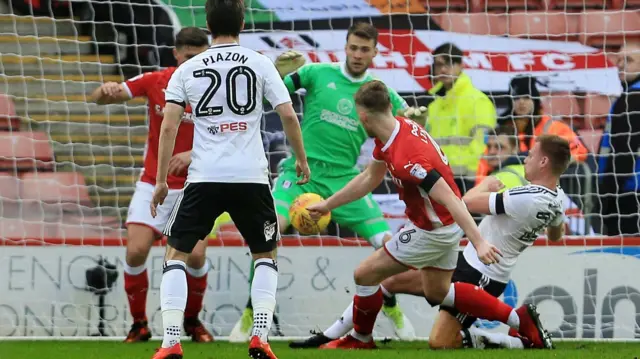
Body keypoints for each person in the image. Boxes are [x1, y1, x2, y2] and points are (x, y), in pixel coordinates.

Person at [302, 80, 550, 351]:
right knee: (439, 292)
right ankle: (519, 319)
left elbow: (452, 199)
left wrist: (478, 242)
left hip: (432, 230)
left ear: (363, 116)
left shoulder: (408, 158)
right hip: (444, 225)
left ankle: (360, 339)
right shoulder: (397, 129)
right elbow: (369, 178)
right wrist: (328, 205)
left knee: (365, 274)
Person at [230, 22, 427, 342]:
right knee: (270, 230)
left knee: (385, 244)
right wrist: (275, 76)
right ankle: (253, 311)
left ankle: (389, 302)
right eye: (353, 47)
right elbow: (265, 102)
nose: (358, 54)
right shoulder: (315, 73)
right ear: (345, 47)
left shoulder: (381, 93)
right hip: (301, 174)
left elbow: (408, 127)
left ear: (375, 53)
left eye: (365, 49)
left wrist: (418, 120)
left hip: (347, 180)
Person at [149, 0, 310, 357]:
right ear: (242, 22)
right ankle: (261, 338)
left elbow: (169, 127)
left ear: (208, 23)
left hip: (205, 176)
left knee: (176, 254)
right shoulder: (260, 62)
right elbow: (287, 116)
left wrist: (161, 180)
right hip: (251, 176)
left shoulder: (187, 69)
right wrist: (300, 159)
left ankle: (171, 341)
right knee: (265, 254)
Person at [383, 135, 569, 350]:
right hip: (469, 261)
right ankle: (364, 331)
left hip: (482, 275)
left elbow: (464, 204)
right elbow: (555, 235)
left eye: (530, 155)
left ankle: (517, 342)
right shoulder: (557, 198)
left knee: (441, 342)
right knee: (391, 282)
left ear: (543, 162)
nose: (525, 160)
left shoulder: (525, 197)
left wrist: (486, 184)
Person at [90, 27, 215, 343]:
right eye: (188, 57)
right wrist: (104, 92)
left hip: (194, 186)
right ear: (176, 54)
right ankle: (139, 324)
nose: (194, 64)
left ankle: (192, 321)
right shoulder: (155, 80)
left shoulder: (215, 90)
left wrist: (191, 153)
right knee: (136, 251)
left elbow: (228, 136)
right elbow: (103, 98)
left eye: (200, 58)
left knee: (196, 257)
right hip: (152, 182)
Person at [426, 42, 497, 193]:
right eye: (439, 65)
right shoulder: (434, 106)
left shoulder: (477, 100)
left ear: (460, 65)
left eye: (449, 63)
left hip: (469, 180)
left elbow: (483, 143)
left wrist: (468, 172)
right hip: (439, 178)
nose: (443, 69)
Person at [598, 41, 640, 236]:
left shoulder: (632, 99)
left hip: (628, 195)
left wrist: (608, 195)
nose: (621, 65)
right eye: (619, 60)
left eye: (629, 60)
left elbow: (623, 151)